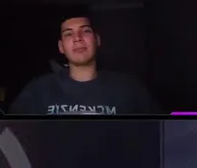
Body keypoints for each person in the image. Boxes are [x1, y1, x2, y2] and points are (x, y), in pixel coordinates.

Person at [9, 12, 157, 116]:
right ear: (61, 47)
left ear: (97, 40)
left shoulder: (129, 90)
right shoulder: (38, 90)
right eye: (68, 34)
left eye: (85, 31)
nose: (77, 38)